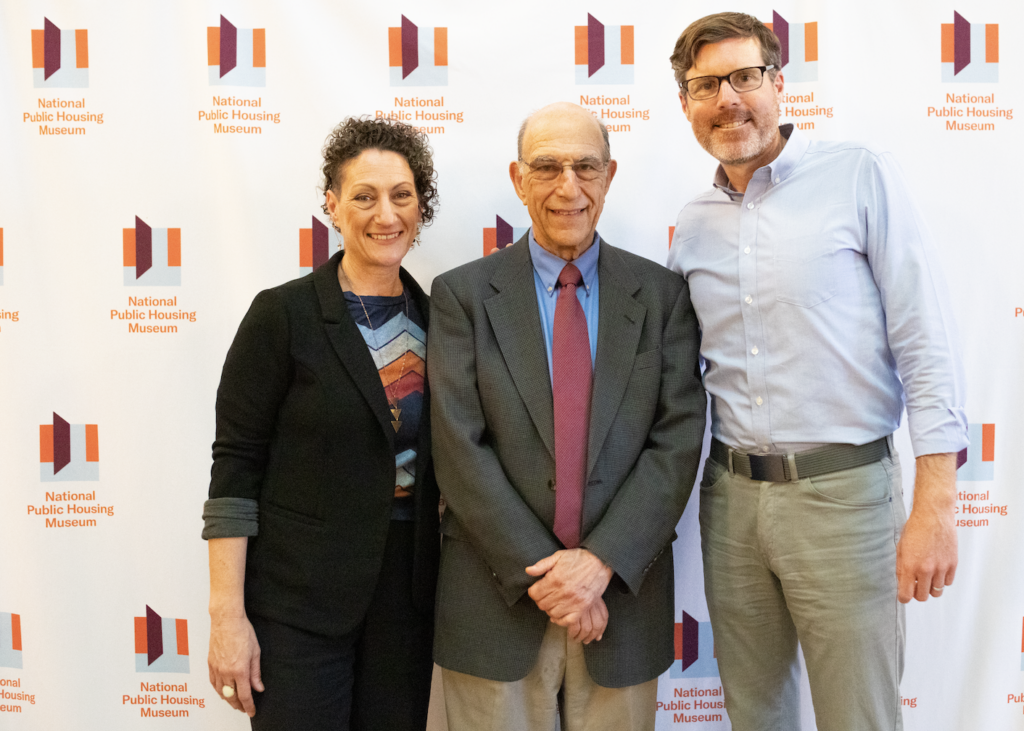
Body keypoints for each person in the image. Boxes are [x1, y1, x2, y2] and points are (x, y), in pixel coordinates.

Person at [667, 13, 968, 730]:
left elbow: (925, 340)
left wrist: (935, 503)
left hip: (846, 499)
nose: (728, 99)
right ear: (685, 104)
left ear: (777, 84)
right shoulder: (694, 223)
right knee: (755, 713)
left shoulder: (857, 176)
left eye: (744, 77)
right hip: (732, 503)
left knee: (856, 715)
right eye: (706, 85)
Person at [427, 102, 706, 731]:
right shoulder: (463, 296)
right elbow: (460, 449)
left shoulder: (661, 298)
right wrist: (553, 579)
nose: (567, 187)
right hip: (495, 606)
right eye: (547, 167)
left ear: (610, 176)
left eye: (585, 166)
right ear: (518, 179)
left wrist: (597, 565)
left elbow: (676, 443)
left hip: (620, 608)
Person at [202, 117, 441, 731]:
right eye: (364, 196)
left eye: (402, 195)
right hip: (297, 607)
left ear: (421, 206)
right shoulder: (282, 315)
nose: (385, 213)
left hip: (405, 605)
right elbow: (235, 468)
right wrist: (227, 618)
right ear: (332, 207)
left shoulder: (444, 322)